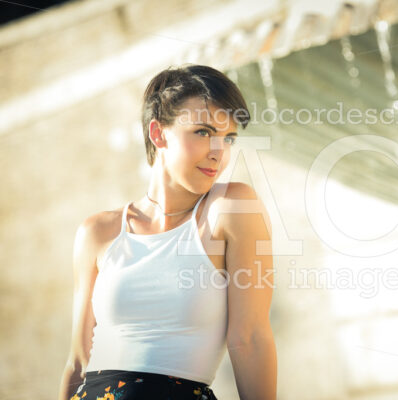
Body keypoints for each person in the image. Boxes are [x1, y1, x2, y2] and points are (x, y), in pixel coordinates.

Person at [58, 65, 277, 400]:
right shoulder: (97, 232)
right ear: (158, 134)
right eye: (203, 132)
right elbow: (77, 361)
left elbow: (250, 339)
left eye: (228, 137)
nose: (219, 152)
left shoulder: (230, 208)